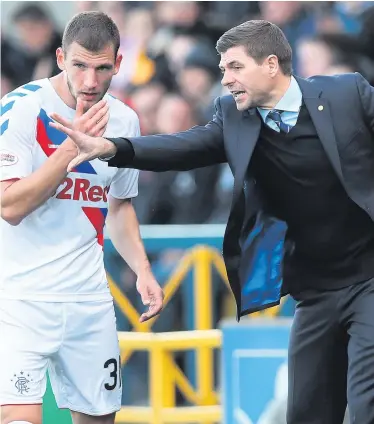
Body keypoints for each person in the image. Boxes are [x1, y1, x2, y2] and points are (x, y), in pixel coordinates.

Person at [51, 19, 374, 423]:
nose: (226, 79)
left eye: (235, 67)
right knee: (306, 413)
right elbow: (182, 147)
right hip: (313, 291)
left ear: (271, 64)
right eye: (222, 69)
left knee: (365, 405)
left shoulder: (347, 93)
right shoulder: (233, 115)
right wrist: (112, 147)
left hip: (369, 278)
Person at [0, 11, 163, 424]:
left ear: (119, 65)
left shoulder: (125, 120)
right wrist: (71, 149)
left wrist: (142, 269)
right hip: (20, 299)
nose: (90, 82)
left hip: (89, 301)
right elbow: (10, 206)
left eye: (102, 68)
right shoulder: (21, 109)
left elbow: (119, 206)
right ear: (60, 58)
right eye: (80, 66)